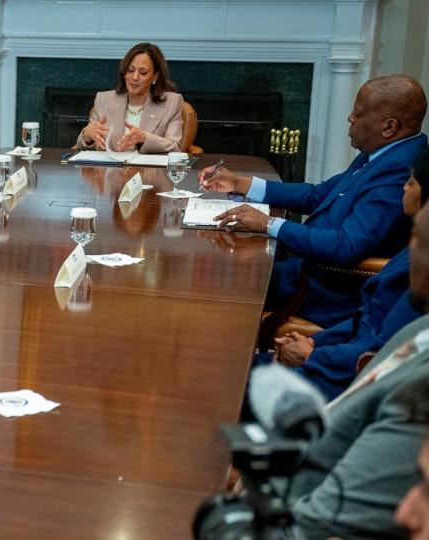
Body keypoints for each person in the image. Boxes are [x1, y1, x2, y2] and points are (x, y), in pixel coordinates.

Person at [199, 74, 428, 327]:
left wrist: (269, 224)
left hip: (325, 286)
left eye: (358, 113)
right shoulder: (383, 151)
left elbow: (347, 245)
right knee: (218, 265)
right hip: (308, 267)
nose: (350, 118)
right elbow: (319, 195)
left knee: (215, 277)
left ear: (389, 127)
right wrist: (241, 183)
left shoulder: (398, 170)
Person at [283, 204, 429, 538]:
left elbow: (315, 522)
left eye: (418, 238)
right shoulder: (419, 328)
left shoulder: (421, 391)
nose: (408, 252)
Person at [274, 148, 429, 400]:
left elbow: (380, 350)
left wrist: (311, 355)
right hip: (337, 352)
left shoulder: (420, 268)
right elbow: (365, 318)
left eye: (410, 182)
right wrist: (316, 341)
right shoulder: (414, 245)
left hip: (341, 384)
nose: (403, 188)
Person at [76, 42, 184, 154]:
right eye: (130, 70)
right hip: (111, 170)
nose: (135, 77)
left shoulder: (172, 102)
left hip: (149, 171)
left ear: (155, 76)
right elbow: (82, 145)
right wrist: (87, 136)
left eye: (143, 72)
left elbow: (175, 147)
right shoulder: (104, 99)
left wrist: (143, 138)